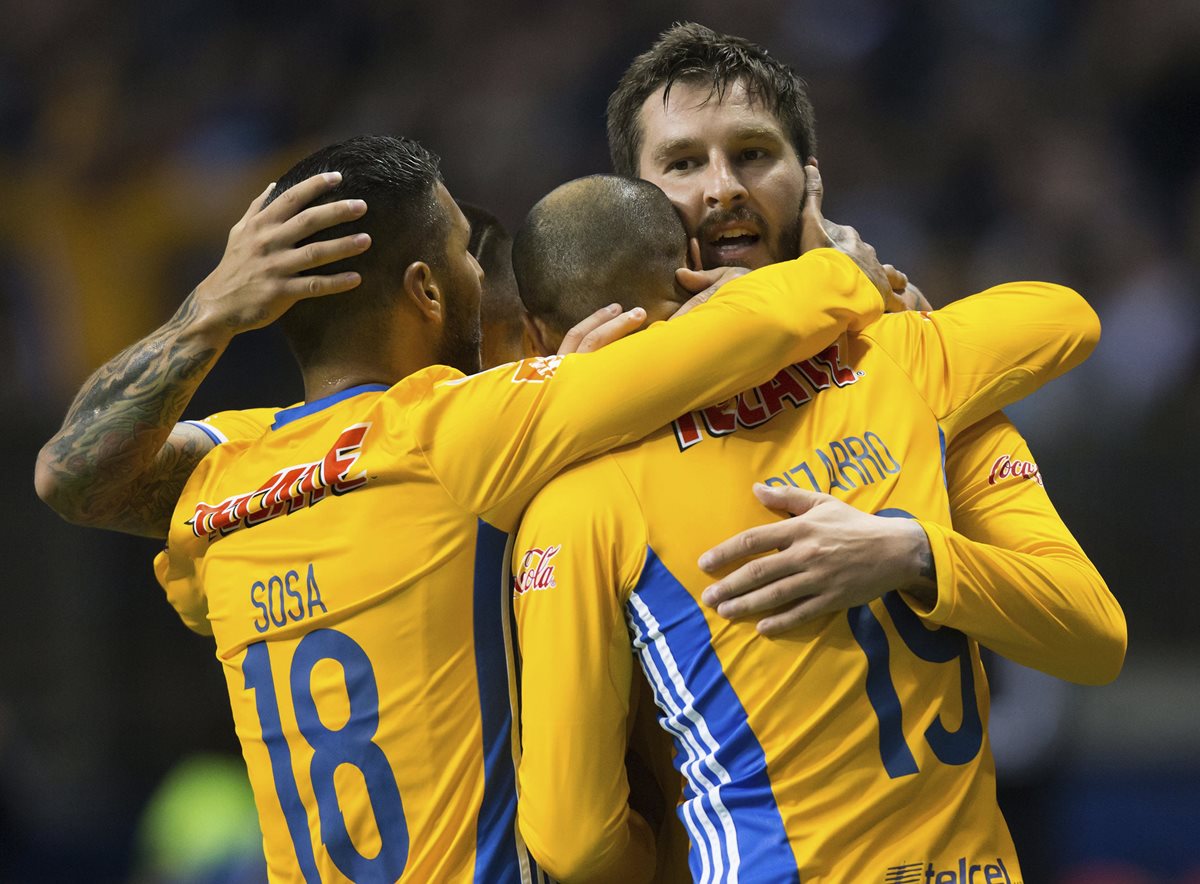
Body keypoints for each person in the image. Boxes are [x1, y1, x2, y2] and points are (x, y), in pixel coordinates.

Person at [41, 133, 900, 881]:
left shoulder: (223, 487)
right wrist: (839, 271)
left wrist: (206, 314)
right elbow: (736, 338)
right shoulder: (457, 428)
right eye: (462, 251)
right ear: (424, 288)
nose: (476, 268)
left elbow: (71, 477)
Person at [509, 172, 1098, 881]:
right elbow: (1065, 318)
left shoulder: (579, 496)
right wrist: (840, 286)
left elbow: (575, 843)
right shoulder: (884, 364)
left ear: (537, 335)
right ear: (696, 262)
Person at [608, 22, 1126, 678]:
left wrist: (915, 556)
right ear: (632, 202)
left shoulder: (913, 369)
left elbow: (1093, 637)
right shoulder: (605, 404)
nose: (723, 188)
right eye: (683, 164)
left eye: (753, 154)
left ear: (810, 184)